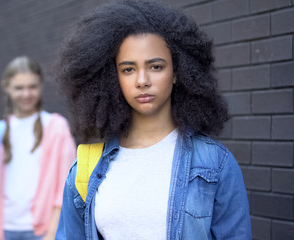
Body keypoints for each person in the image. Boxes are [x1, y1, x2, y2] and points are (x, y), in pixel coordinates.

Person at [55, 1, 252, 239]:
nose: (142, 80)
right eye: (128, 69)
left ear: (178, 72)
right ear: (112, 77)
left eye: (156, 66)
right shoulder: (85, 170)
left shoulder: (215, 164)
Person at [0, 56, 76, 240]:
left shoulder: (56, 126)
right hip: (4, 229)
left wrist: (52, 232)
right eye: (19, 88)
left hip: (42, 231)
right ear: (7, 88)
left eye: (32, 87)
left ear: (41, 86)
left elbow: (66, 183)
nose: (26, 94)